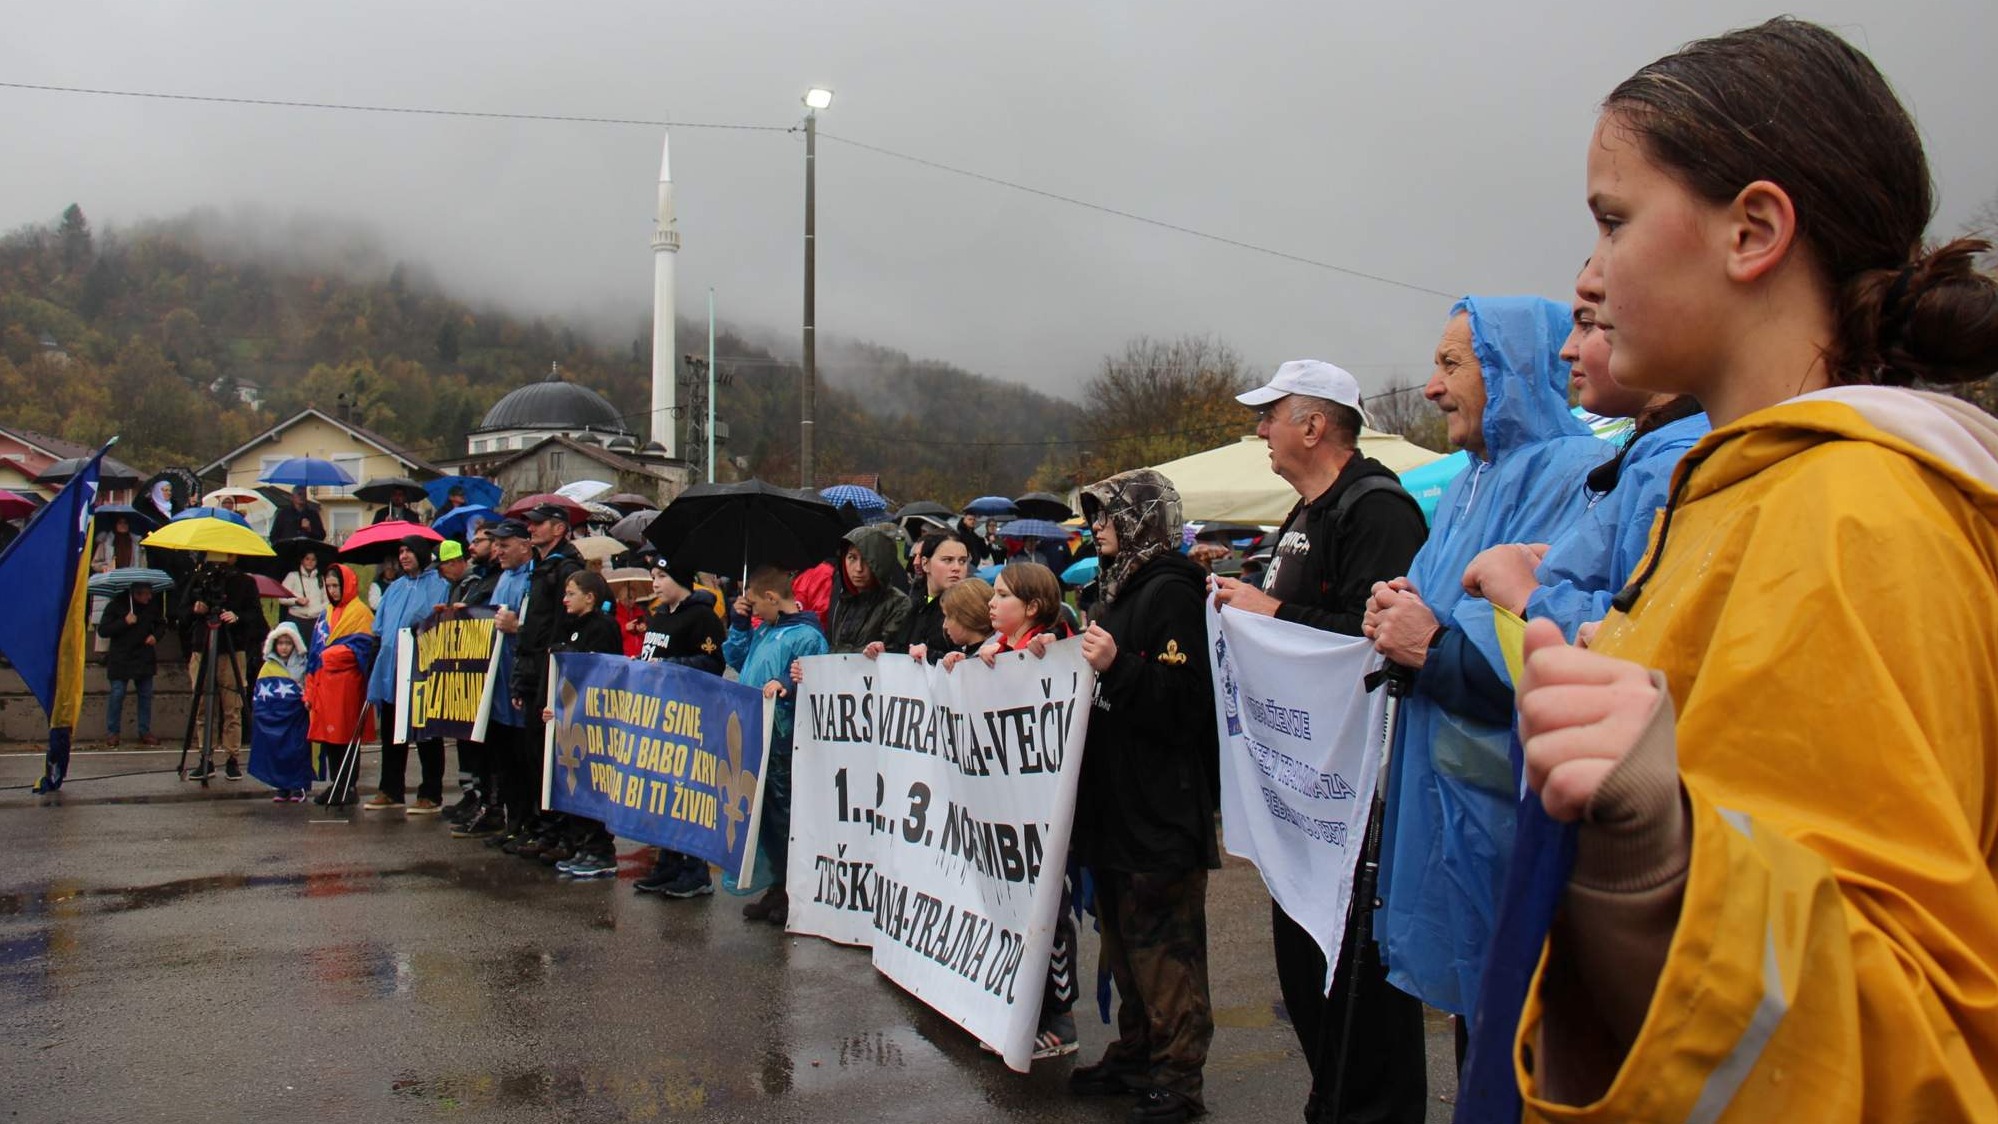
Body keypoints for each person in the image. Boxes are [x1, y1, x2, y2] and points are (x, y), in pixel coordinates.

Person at [1504, 20, 1998, 1118]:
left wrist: (1659, 864)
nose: (1587, 276)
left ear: (1754, 230)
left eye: (1614, 219)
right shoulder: (1750, 489)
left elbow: (1921, 1054)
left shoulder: (1856, 513)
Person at [1360, 296, 1609, 1028]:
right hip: (1453, 805)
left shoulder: (1575, 473)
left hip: (1511, 812)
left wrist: (1427, 644)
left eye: (1450, 365)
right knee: (1484, 1026)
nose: (1432, 388)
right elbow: (1436, 608)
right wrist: (1397, 605)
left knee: (1527, 1033)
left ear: (1510, 370)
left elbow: (1536, 649)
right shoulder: (1470, 479)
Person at [1209, 359, 1430, 1124]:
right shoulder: (1300, 514)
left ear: (1315, 425)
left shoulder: (1376, 510)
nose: (1259, 430)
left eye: (1270, 415)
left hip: (1357, 801)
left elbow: (1380, 642)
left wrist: (1268, 613)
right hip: (1302, 800)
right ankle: (1330, 1102)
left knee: (1360, 984)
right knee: (1308, 978)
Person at [1067, 469, 1218, 1124]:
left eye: (1106, 517)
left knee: (1167, 952)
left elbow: (1187, 703)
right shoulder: (1115, 590)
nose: (1097, 528)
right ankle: (1137, 1053)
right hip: (1116, 807)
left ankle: (1180, 1077)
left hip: (1160, 809)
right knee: (1125, 946)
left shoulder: (1171, 593)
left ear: (1140, 521)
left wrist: (1117, 667)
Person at [1459, 262, 1709, 643]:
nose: (1566, 350)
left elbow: (1659, 640)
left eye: (1590, 323)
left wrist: (1528, 598)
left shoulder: (1670, 467)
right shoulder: (1648, 459)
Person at [724, 565, 829, 926]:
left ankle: (792, 889)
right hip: (758, 732)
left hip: (785, 737)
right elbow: (736, 661)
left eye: (753, 604)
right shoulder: (765, 630)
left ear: (771, 598)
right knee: (765, 815)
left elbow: (816, 675)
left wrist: (787, 683)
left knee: (786, 816)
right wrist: (739, 626)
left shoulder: (806, 635)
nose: (751, 609)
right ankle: (775, 884)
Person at [633, 555, 729, 898]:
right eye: (653, 576)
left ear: (681, 580)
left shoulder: (702, 616)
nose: (655, 583)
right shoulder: (659, 616)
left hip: (690, 716)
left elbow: (714, 662)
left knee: (687, 793)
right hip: (658, 714)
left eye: (661, 576)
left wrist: (669, 665)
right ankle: (669, 861)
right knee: (662, 792)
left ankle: (696, 870)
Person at [504, 504, 586, 862]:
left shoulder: (565, 569)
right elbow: (533, 626)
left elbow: (557, 628)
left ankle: (560, 833)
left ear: (558, 529)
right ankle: (543, 828)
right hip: (535, 670)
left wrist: (547, 669)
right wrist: (523, 678)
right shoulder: (542, 569)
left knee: (552, 756)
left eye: (538, 524)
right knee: (533, 756)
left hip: (553, 672)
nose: (532, 529)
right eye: (530, 524)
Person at [542, 570, 626, 880]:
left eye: (571, 593)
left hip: (594, 720)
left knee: (592, 782)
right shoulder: (570, 626)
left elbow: (602, 672)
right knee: (574, 779)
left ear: (589, 597)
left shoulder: (602, 627)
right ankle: (582, 843)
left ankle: (600, 848)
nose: (565, 600)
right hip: (571, 716)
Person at [363, 538, 450, 813]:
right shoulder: (395, 588)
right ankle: (390, 788)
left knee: (426, 734)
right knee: (391, 730)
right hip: (391, 669)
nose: (403, 556)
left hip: (422, 669)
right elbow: (380, 628)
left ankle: (431, 792)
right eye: (400, 552)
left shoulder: (440, 584)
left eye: (409, 550)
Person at [461, 519, 534, 842]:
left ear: (524, 545)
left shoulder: (533, 577)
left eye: (505, 545)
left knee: (522, 759)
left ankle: (526, 824)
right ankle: (510, 820)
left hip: (520, 680)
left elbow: (538, 625)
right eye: (497, 545)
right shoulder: (504, 576)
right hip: (498, 681)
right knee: (502, 758)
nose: (499, 551)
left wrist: (519, 625)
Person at [180, 552, 266, 781]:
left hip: (231, 648)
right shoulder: (199, 579)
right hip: (203, 646)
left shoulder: (245, 582)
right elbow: (181, 613)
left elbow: (256, 617)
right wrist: (195, 609)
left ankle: (232, 757)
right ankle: (205, 756)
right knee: (202, 705)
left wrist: (236, 616)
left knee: (232, 705)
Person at [306, 563, 376, 806]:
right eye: (328, 586)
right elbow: (315, 651)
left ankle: (348, 784)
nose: (332, 590)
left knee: (346, 737)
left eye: (336, 585)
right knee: (329, 738)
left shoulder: (361, 613)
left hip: (347, 686)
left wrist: (332, 655)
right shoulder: (325, 613)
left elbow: (364, 647)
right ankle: (337, 783)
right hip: (324, 686)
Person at [873, 532, 970, 663]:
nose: (957, 568)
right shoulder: (910, 603)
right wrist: (883, 653)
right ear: (925, 564)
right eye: (947, 560)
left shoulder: (971, 607)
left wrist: (929, 656)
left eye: (962, 561)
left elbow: (971, 660)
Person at [249, 622, 313, 802]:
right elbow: (260, 694)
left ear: (295, 644)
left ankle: (298, 786)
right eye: (280, 643)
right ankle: (282, 786)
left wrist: (307, 700)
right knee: (277, 750)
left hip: (297, 718)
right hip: (275, 718)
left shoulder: (303, 664)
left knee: (297, 751)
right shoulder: (267, 667)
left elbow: (309, 687)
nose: (284, 647)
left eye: (288, 643)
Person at [96, 584, 165, 748]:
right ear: (136, 594)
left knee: (145, 694)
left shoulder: (152, 607)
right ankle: (113, 732)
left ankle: (144, 730)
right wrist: (124, 622)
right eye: (146, 594)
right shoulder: (116, 606)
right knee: (117, 694)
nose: (149, 598)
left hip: (144, 655)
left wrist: (155, 636)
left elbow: (161, 624)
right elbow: (103, 630)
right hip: (121, 656)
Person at [976, 561, 1070, 664]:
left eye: (1003, 595)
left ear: (1032, 607)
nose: (991, 603)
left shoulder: (1050, 644)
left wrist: (1056, 647)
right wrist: (961, 666)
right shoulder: (993, 650)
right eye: (994, 594)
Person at [927, 578, 996, 669]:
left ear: (967, 616)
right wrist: (926, 655)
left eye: (948, 617)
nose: (945, 625)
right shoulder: (959, 655)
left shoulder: (998, 655)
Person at [281, 548, 328, 625]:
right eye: (307, 559)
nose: (310, 562)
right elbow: (282, 598)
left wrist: (319, 609)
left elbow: (327, 600)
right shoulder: (292, 576)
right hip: (296, 619)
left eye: (313, 560)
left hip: (316, 620)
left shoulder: (321, 579)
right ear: (302, 560)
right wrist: (296, 601)